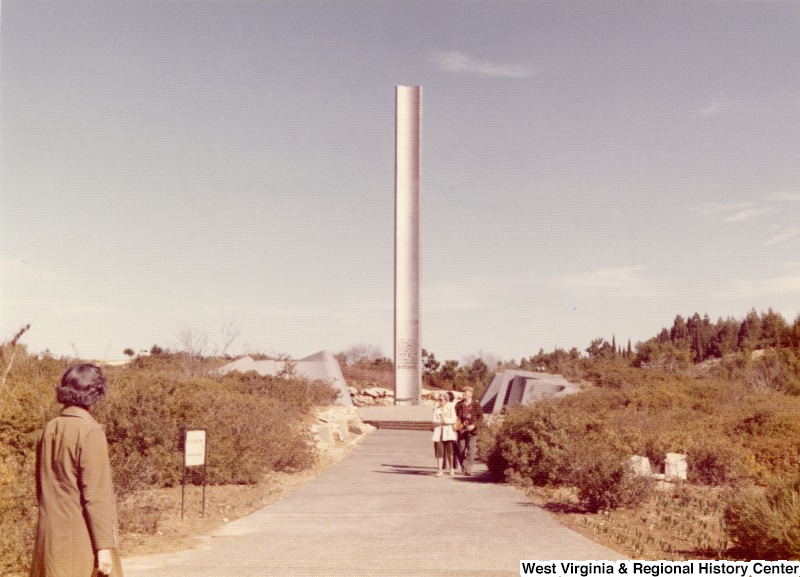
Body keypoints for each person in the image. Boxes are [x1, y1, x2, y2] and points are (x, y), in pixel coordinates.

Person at [30, 364, 123, 577]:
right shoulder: (90, 432)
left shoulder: (49, 428)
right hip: (81, 542)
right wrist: (104, 548)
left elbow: (41, 488)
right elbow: (97, 497)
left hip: (49, 540)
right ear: (96, 393)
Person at [455, 386, 484, 476]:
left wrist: (474, 425)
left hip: (472, 431)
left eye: (465, 392)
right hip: (461, 431)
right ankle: (464, 465)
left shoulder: (475, 404)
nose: (463, 394)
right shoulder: (458, 405)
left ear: (470, 394)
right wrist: (457, 426)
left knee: (471, 450)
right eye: (462, 392)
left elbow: (481, 417)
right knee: (461, 450)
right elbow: (455, 417)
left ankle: (468, 469)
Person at [431, 393, 457, 477]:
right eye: (439, 399)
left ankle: (451, 467)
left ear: (446, 400)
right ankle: (439, 470)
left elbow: (454, 419)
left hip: (448, 431)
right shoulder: (436, 408)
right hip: (439, 431)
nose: (440, 401)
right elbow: (434, 420)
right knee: (439, 451)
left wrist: (445, 420)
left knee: (450, 452)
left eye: (441, 400)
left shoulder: (450, 407)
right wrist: (439, 422)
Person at [447, 391, 461, 471]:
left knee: (453, 446)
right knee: (453, 447)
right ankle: (454, 463)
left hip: (453, 428)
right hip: (452, 428)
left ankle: (452, 463)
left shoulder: (453, 406)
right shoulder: (454, 405)